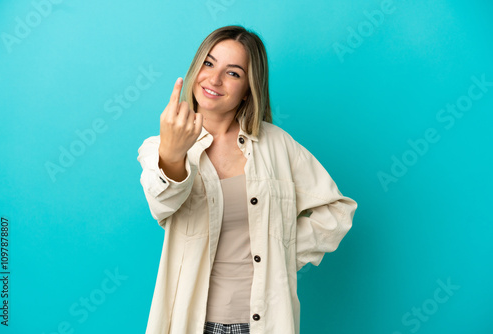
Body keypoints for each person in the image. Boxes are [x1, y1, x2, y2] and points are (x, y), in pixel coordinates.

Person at [137, 25, 358, 334]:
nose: (214, 79)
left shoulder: (277, 144)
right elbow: (163, 204)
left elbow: (338, 212)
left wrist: (279, 253)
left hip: (264, 322)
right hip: (193, 323)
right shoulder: (158, 147)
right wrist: (173, 154)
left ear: (248, 89)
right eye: (209, 63)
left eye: (233, 73)